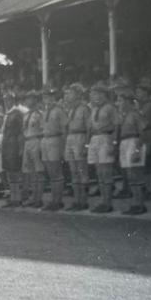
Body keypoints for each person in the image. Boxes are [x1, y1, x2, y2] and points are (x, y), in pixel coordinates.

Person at [87, 81, 120, 213]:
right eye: (94, 93)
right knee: (99, 172)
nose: (96, 96)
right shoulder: (94, 108)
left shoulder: (110, 108)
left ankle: (108, 203)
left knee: (106, 172)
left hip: (106, 137)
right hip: (95, 138)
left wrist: (114, 143)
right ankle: (103, 201)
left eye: (98, 93)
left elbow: (116, 125)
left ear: (104, 94)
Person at [116, 87, 148, 215]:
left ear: (129, 102)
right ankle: (135, 203)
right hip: (124, 142)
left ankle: (140, 204)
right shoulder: (123, 115)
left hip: (134, 142)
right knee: (130, 176)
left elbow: (143, 133)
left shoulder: (135, 114)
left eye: (121, 100)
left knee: (135, 175)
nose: (119, 103)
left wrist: (136, 150)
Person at [63, 83, 91, 211]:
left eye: (71, 93)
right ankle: (77, 200)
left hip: (80, 136)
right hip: (70, 137)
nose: (68, 95)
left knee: (81, 170)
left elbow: (88, 128)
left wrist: (86, 144)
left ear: (78, 94)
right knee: (73, 171)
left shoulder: (84, 108)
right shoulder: (70, 109)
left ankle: (83, 201)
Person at [40, 85, 68, 211]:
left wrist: (63, 147)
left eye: (50, 96)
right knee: (50, 171)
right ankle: (53, 199)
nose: (48, 99)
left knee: (56, 171)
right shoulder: (45, 111)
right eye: (45, 96)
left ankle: (58, 200)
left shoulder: (59, 110)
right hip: (46, 139)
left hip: (55, 139)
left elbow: (64, 129)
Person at [1, 90, 25, 208]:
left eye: (9, 100)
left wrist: (20, 148)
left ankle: (18, 198)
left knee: (15, 172)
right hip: (7, 144)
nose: (7, 102)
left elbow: (21, 131)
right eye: (5, 100)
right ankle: (13, 198)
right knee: (9, 172)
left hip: (14, 144)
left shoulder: (17, 113)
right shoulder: (8, 114)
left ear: (13, 100)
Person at [21, 90, 46, 208]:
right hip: (27, 142)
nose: (28, 101)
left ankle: (39, 198)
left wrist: (41, 145)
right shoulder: (26, 114)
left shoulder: (39, 114)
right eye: (27, 99)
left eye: (30, 98)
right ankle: (33, 197)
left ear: (36, 100)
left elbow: (43, 129)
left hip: (36, 140)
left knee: (38, 170)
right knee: (30, 172)